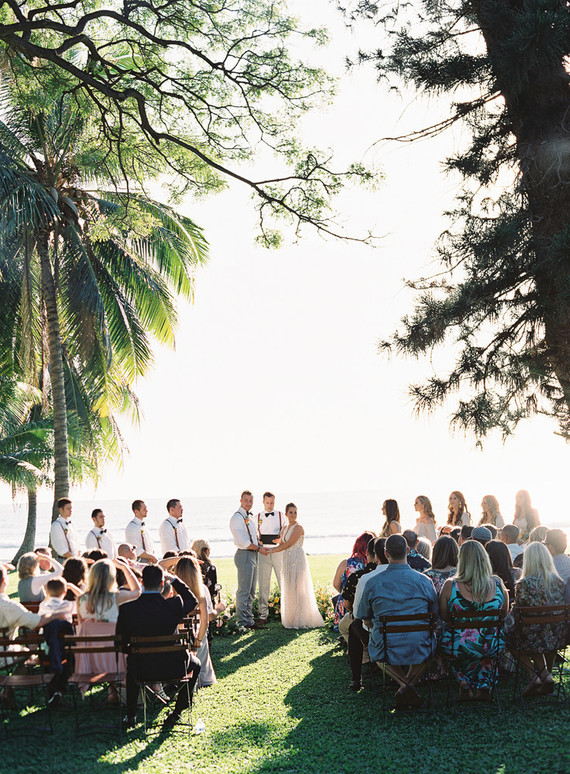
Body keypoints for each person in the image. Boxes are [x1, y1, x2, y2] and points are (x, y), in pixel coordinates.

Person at [354, 534, 438, 708]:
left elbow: (364, 616)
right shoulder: (424, 581)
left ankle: (404, 686)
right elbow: (434, 613)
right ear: (408, 551)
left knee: (376, 650)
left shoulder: (373, 583)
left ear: (385, 553)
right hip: (420, 642)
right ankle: (409, 686)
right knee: (431, 647)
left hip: (386, 644)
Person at [116, 564, 201, 730]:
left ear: (141, 582)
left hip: (141, 669)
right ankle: (177, 712)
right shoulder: (173, 604)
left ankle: (131, 715)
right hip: (174, 667)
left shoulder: (127, 609)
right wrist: (175, 580)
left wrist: (135, 651)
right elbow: (193, 601)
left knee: (131, 664)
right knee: (196, 664)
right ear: (163, 584)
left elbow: (120, 644)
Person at [439, 540, 509, 701]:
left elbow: (444, 616)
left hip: (459, 646)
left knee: (446, 645)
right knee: (485, 656)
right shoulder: (498, 583)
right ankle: (483, 683)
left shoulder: (451, 585)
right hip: (493, 645)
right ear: (484, 558)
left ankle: (463, 680)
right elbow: (504, 614)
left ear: (461, 560)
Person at [505, 542, 567, 696]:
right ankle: (547, 674)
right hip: (556, 636)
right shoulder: (558, 581)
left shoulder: (524, 584)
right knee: (541, 634)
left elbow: (516, 613)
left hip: (531, 637)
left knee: (508, 637)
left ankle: (535, 676)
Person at [77, 558, 141, 702]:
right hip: (116, 655)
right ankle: (114, 690)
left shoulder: (81, 599)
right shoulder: (116, 597)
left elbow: (83, 627)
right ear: (112, 578)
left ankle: (112, 692)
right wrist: (125, 568)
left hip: (90, 657)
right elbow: (137, 591)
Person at [267, 503, 324, 630]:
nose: (293, 515)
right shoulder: (285, 527)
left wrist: (271, 551)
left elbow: (288, 544)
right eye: (290, 512)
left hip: (297, 558)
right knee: (289, 587)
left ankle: (302, 619)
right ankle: (291, 618)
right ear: (286, 514)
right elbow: (282, 542)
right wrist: (267, 543)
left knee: (299, 588)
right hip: (287, 558)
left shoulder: (298, 528)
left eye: (295, 512)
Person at [347, 537, 389, 691]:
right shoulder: (418, 578)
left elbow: (359, 613)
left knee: (354, 626)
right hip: (413, 636)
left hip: (380, 634)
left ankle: (356, 679)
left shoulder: (366, 579)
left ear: (376, 556)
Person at [229, 490, 268, 631]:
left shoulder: (250, 517)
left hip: (253, 554)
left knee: (251, 590)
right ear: (240, 501)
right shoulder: (236, 518)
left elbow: (253, 538)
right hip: (244, 554)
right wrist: (258, 549)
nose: (248, 503)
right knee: (244, 590)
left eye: (251, 501)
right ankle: (242, 622)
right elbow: (242, 541)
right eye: (246, 500)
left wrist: (261, 544)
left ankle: (249, 620)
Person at [175, 556, 216, 687]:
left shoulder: (172, 594)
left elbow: (160, 565)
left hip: (178, 639)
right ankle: (203, 677)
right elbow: (204, 622)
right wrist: (197, 642)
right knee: (201, 638)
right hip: (196, 636)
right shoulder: (201, 594)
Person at [338, 538, 377, 645]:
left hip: (366, 621)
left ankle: (364, 654)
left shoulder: (358, 576)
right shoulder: (394, 576)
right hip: (391, 623)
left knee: (345, 625)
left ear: (367, 553)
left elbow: (347, 604)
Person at [332, 532, 375, 628]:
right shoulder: (374, 565)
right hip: (366, 606)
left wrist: (347, 593)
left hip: (346, 606)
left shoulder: (345, 564)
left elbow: (336, 584)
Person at [255, 491, 284, 626]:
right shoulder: (257, 517)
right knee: (263, 584)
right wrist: (258, 542)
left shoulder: (280, 515)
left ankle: (285, 613)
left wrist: (281, 537)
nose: (270, 505)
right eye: (267, 502)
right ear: (263, 502)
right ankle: (263, 615)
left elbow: (285, 529)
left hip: (277, 551)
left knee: (282, 582)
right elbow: (254, 533)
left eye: (272, 502)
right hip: (263, 553)